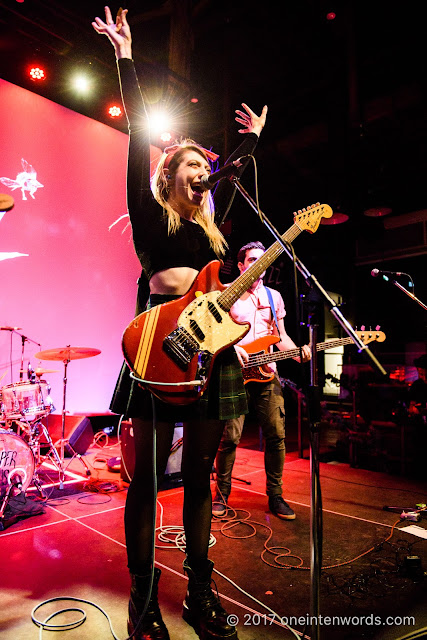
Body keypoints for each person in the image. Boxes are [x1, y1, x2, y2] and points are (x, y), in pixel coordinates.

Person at [92, 7, 268, 640]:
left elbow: (236, 174)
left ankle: (199, 590)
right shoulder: (149, 211)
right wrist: (125, 58)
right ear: (170, 177)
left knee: (197, 479)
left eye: (207, 169)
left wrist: (249, 144)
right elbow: (141, 130)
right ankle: (144, 599)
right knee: (145, 482)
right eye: (191, 167)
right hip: (155, 352)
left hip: (211, 359)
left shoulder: (216, 232)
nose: (203, 173)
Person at [213, 241, 311, 521]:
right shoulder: (228, 294)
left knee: (277, 436)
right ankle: (221, 495)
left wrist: (297, 353)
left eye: (263, 259)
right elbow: (216, 333)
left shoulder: (273, 296)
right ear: (242, 265)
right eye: (252, 259)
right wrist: (234, 348)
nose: (259, 264)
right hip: (234, 373)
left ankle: (276, 496)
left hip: (268, 373)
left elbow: (280, 336)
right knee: (229, 438)